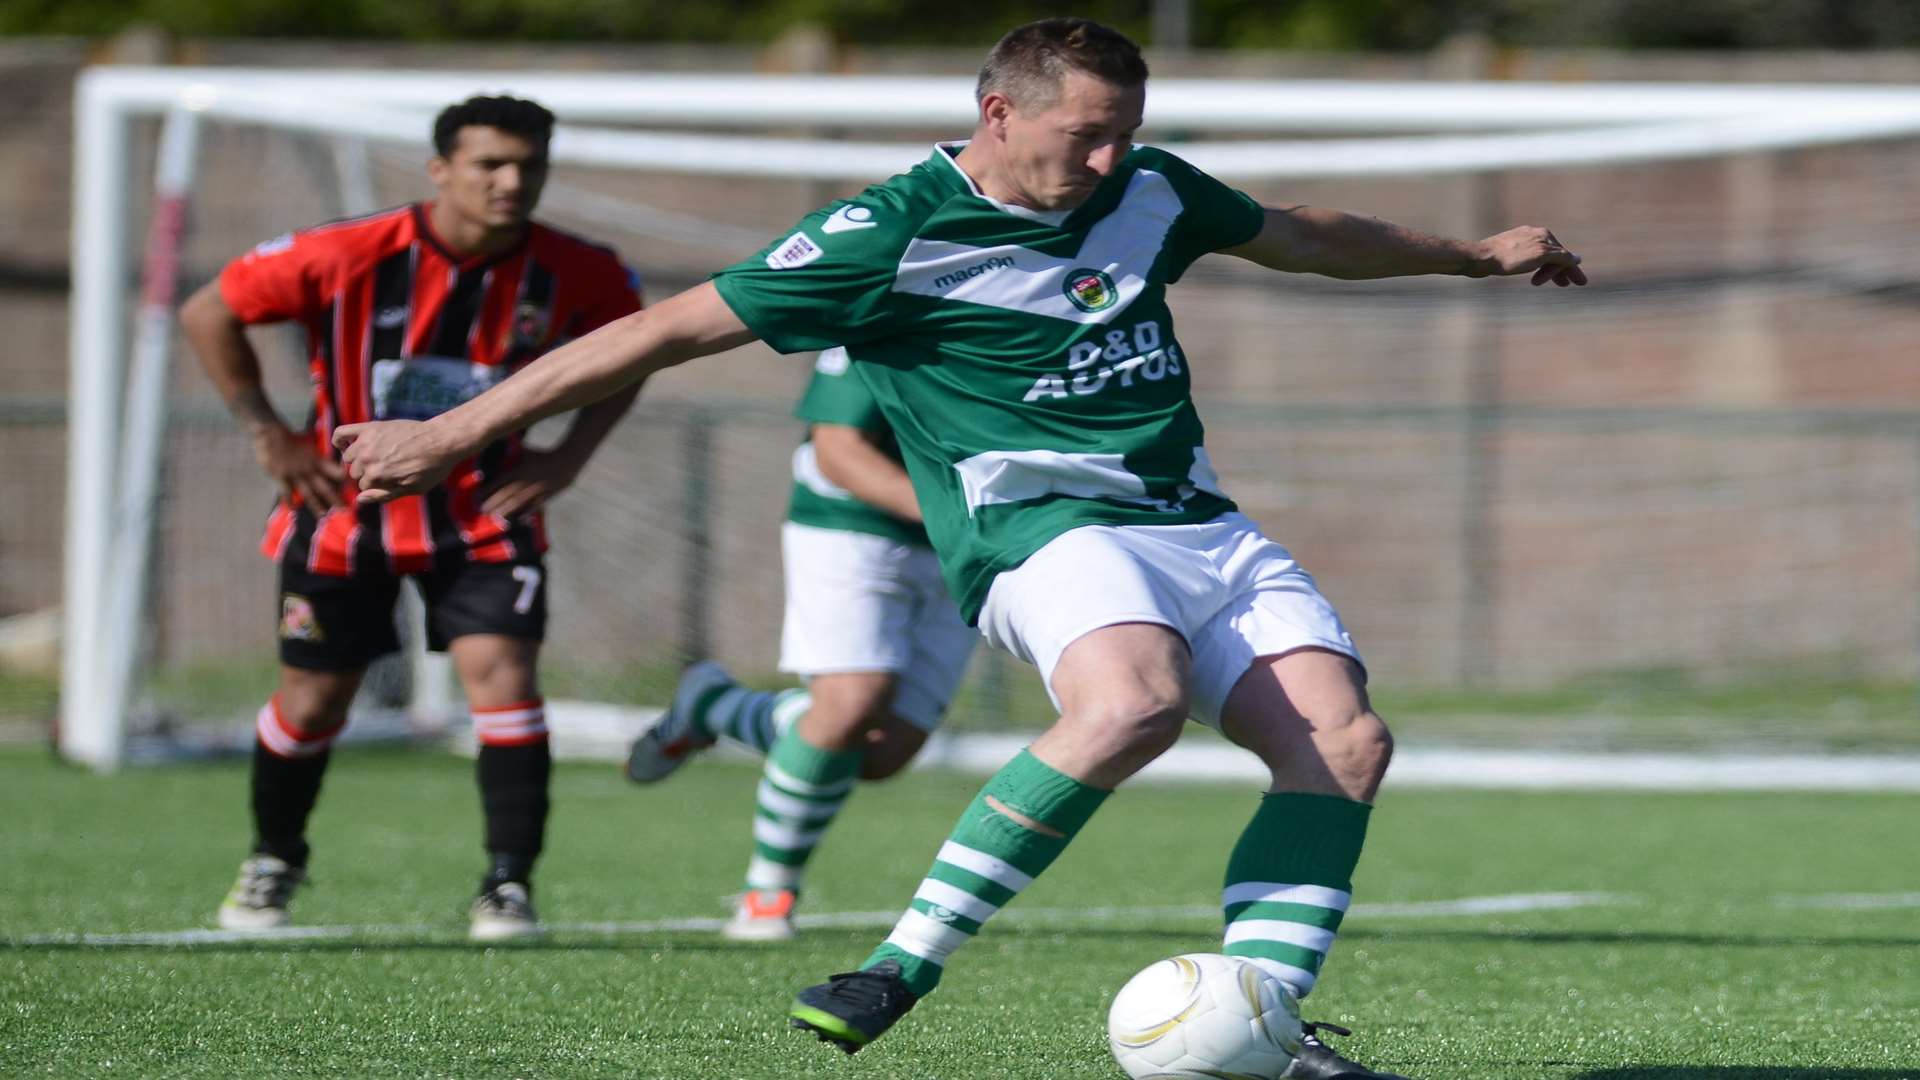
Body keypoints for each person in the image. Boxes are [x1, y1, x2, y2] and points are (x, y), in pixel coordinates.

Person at [330, 18, 1584, 1076]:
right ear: (996, 112)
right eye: (1081, 134)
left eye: (1125, 134)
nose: (1107, 159)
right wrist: (453, 432)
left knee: (1346, 743)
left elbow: (1305, 235)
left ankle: (1262, 1023)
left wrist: (1472, 255)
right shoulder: (885, 233)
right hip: (1040, 531)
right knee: (1129, 704)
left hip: (1196, 520)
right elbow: (659, 332)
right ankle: (896, 966)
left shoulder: (1149, 191)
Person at [179, 95, 645, 941]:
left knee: (504, 681)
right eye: (489, 165)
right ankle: (274, 857)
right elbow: (208, 310)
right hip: (343, 513)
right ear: (440, 171)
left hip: (484, 516)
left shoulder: (579, 271)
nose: (511, 182)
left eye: (528, 166)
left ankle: (507, 886)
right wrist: (269, 434)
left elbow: (637, 347)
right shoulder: (347, 252)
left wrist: (571, 453)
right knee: (315, 704)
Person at [624, 345, 980, 942]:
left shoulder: (1051, 310)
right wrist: (958, 518)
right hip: (853, 526)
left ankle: (712, 704)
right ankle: (769, 892)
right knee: (848, 705)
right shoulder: (895, 305)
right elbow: (838, 452)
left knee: (882, 753)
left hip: (966, 547)